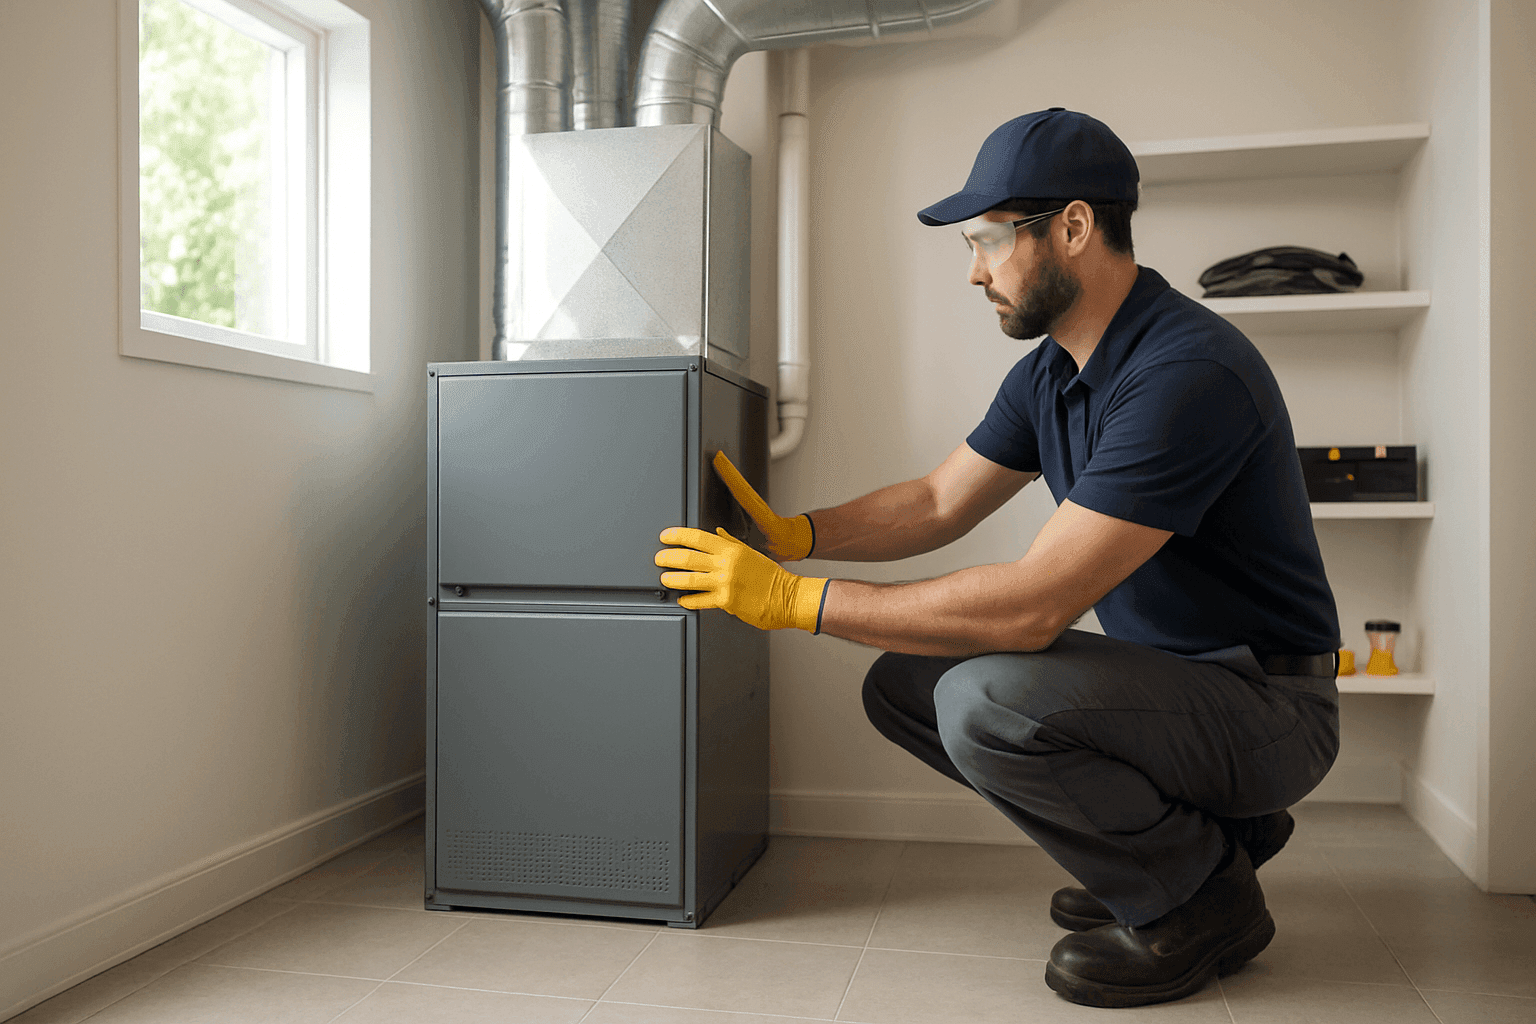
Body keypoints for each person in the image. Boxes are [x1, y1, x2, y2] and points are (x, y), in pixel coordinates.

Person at [654, 108, 1341, 1009]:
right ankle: (1193, 843)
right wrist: (799, 534)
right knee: (909, 683)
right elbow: (938, 501)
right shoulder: (1053, 371)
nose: (975, 269)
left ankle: (1205, 896)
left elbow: (1029, 609)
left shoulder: (1186, 372)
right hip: (1175, 688)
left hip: (1268, 705)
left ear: (1073, 227)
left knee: (983, 697)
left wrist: (794, 599)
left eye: (987, 239)